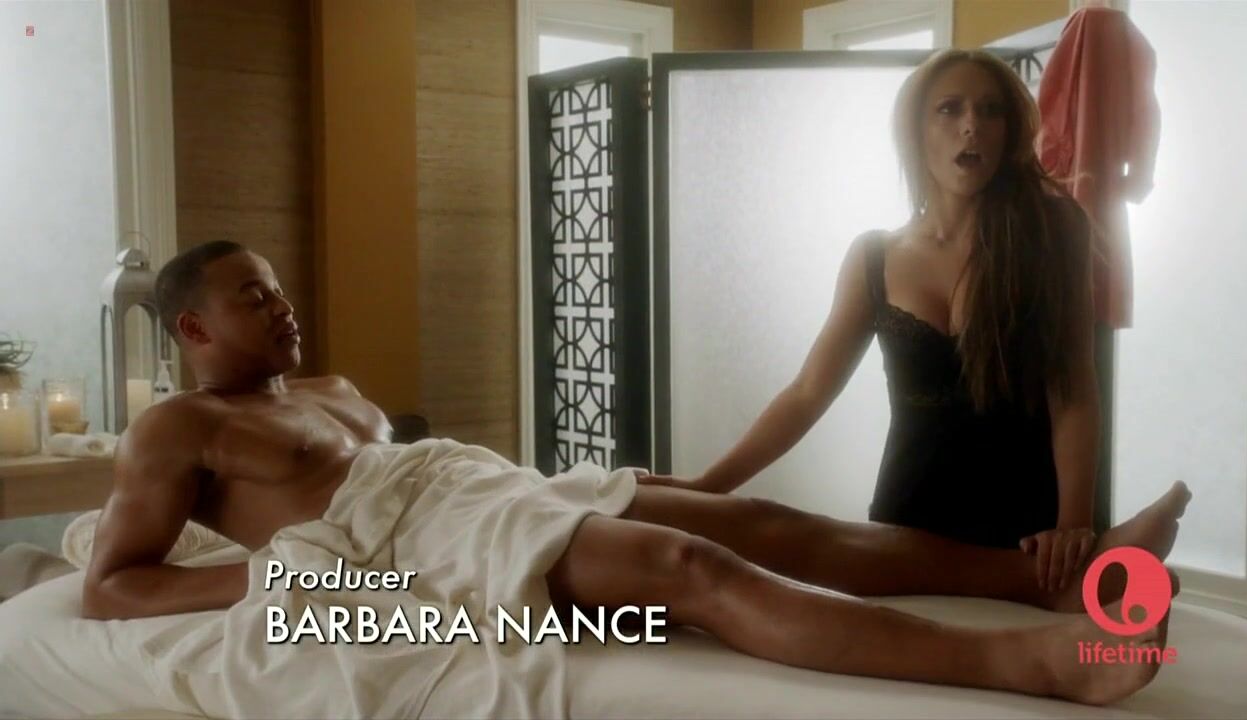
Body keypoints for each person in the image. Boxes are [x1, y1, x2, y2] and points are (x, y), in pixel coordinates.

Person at [81, 240, 1190, 706]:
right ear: (191, 327)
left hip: (473, 485)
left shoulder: (327, 386)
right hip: (414, 543)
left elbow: (416, 465)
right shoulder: (176, 428)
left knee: (761, 516)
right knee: (686, 567)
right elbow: (112, 585)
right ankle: (1028, 665)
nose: (280, 306)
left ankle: (1043, 578)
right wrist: (278, 579)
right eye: (252, 297)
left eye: (278, 289)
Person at [643, 49, 1113, 592]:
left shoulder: (1053, 232)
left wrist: (1073, 524)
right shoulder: (875, 257)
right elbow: (807, 393)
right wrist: (707, 486)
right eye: (949, 109)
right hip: (905, 526)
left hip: (1029, 535)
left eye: (991, 111)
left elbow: (1073, 389)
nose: (972, 126)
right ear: (914, 130)